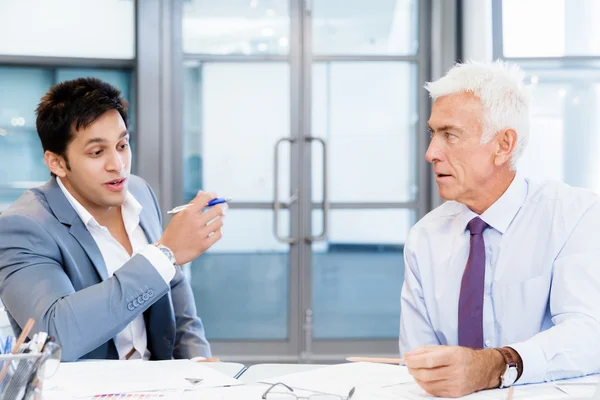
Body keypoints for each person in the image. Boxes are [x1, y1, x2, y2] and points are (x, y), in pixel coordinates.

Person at [399, 60, 600, 398]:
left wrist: (497, 365)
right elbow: (418, 365)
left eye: (450, 135)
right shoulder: (425, 237)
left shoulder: (575, 215)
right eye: (433, 134)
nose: (431, 152)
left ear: (503, 145)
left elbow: (590, 334)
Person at [0, 77, 225, 362]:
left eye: (122, 145)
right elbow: (57, 336)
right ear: (57, 162)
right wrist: (165, 255)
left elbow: (178, 300)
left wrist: (197, 367)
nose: (117, 165)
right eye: (97, 152)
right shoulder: (23, 226)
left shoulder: (139, 192)